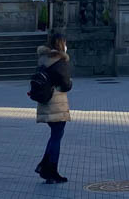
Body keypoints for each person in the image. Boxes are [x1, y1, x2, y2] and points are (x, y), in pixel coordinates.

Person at [34, 32, 72, 185]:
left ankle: (44, 167)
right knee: (56, 137)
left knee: (55, 135)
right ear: (61, 44)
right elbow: (66, 84)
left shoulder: (43, 59)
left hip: (45, 102)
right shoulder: (60, 60)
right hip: (57, 103)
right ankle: (51, 171)